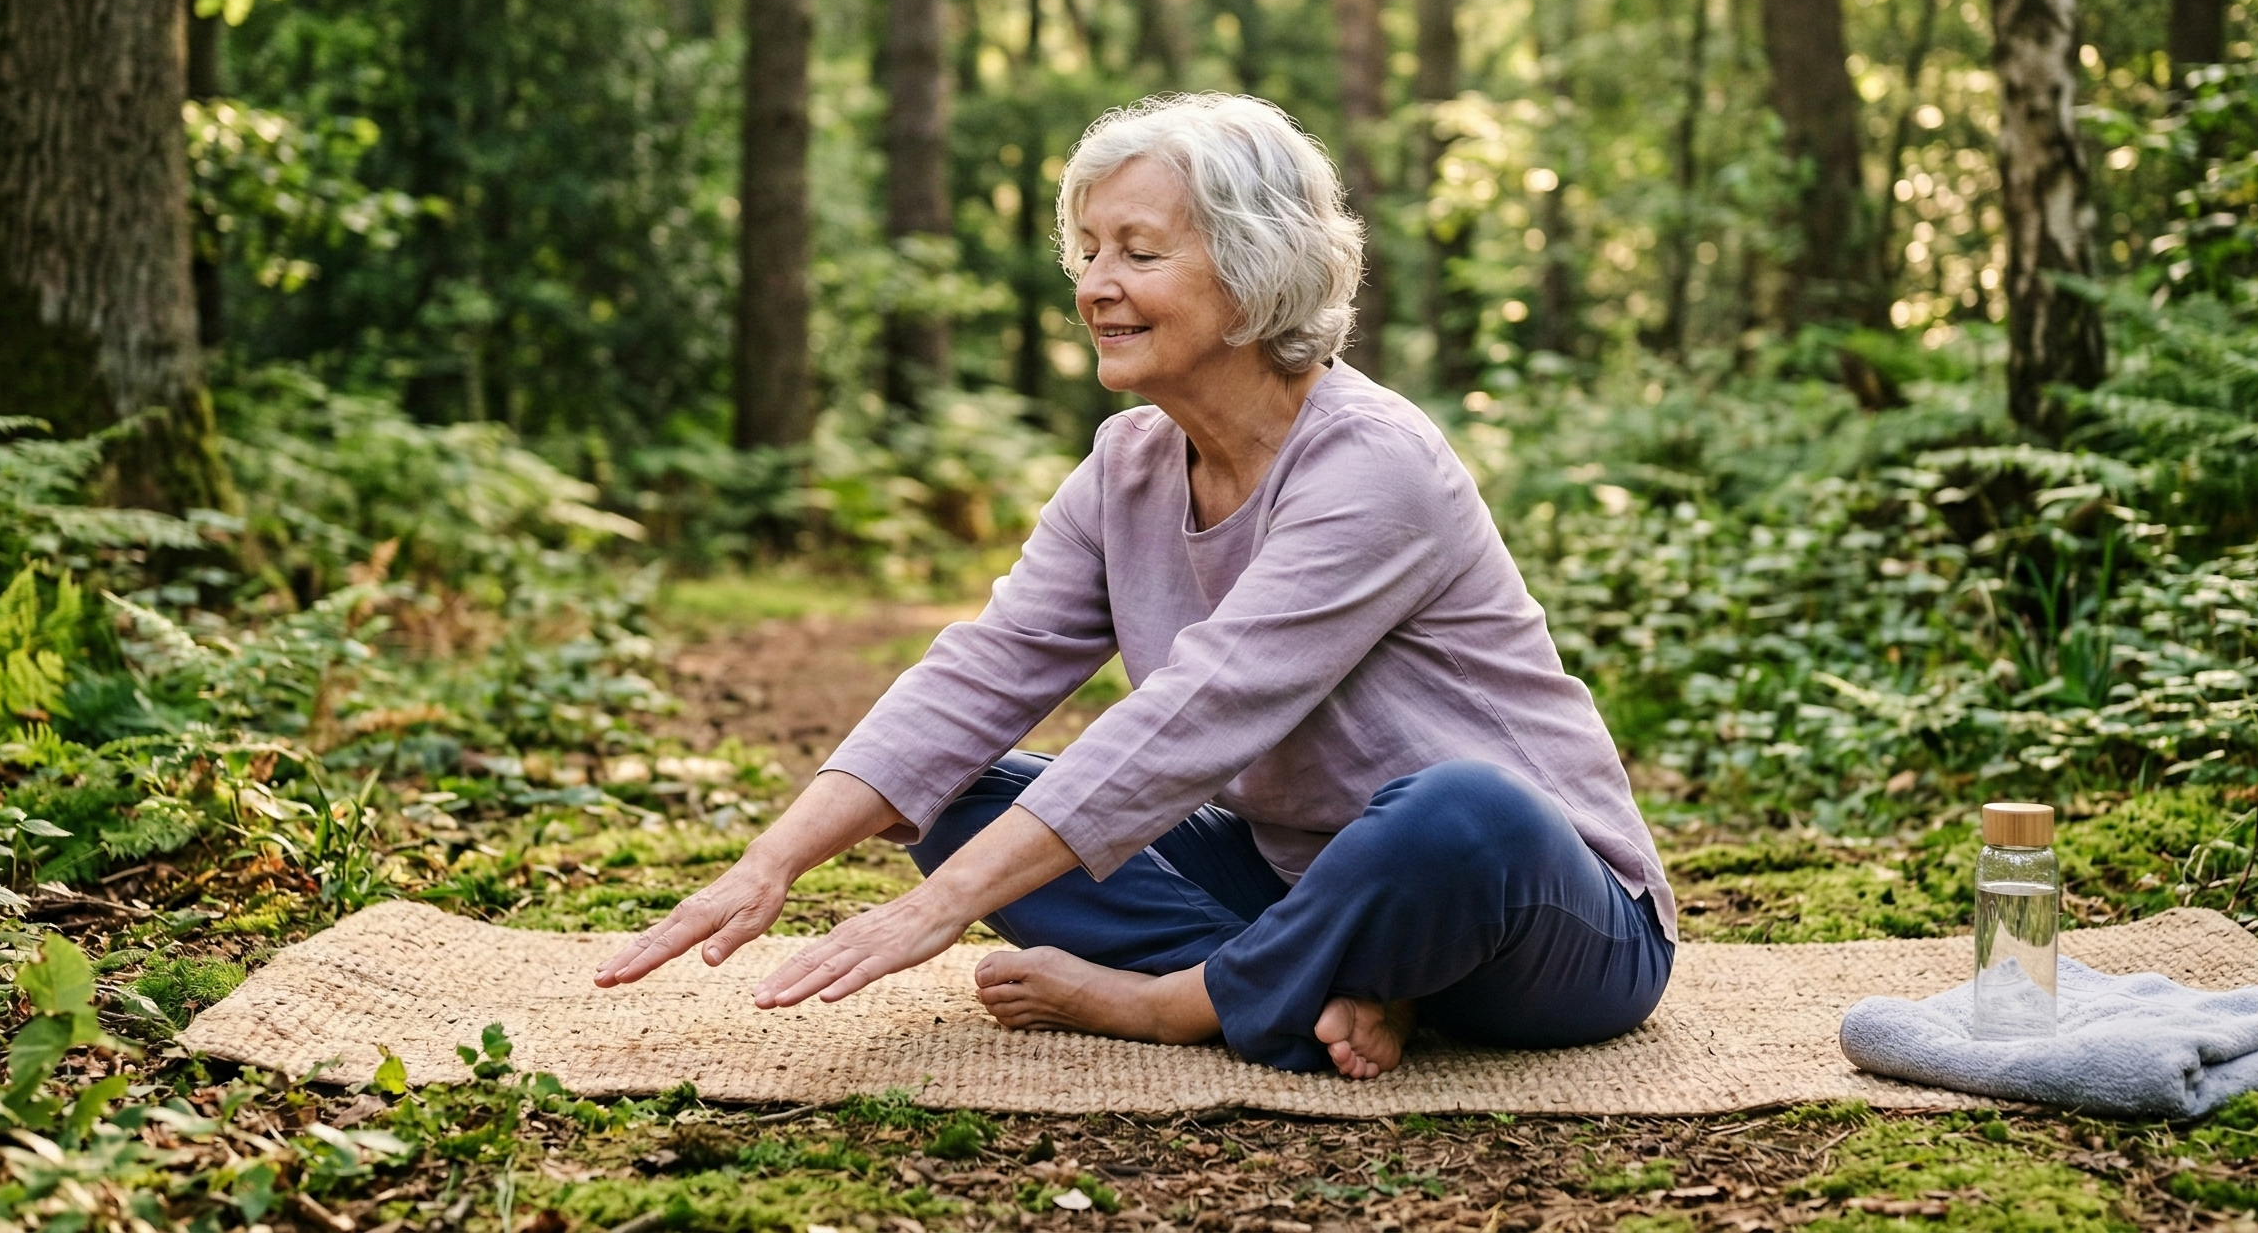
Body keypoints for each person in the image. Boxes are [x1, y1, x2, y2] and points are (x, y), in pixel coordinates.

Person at [596, 93, 1674, 1077]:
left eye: (1138, 252)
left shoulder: (1373, 463)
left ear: (1254, 273)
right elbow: (981, 673)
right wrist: (768, 862)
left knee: (1462, 806)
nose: (1095, 286)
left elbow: (1196, 713)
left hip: (1542, 917)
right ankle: (1309, 993)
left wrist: (940, 912)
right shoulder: (1127, 464)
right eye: (1088, 252)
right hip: (1293, 884)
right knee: (956, 790)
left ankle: (1175, 1004)